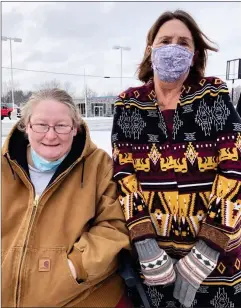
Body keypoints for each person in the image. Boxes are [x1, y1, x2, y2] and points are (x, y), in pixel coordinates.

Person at [111, 9, 241, 308]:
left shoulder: (212, 95)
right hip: (155, 263)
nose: (173, 47)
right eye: (165, 40)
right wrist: (145, 245)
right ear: (150, 49)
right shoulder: (128, 103)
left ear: (194, 54)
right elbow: (123, 176)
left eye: (183, 42)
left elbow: (234, 170)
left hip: (216, 261)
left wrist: (208, 249)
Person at [2, 88, 132, 307]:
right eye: (42, 125)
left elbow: (114, 226)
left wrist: (74, 268)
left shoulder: (99, 166)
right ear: (27, 126)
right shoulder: (3, 167)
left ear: (75, 128)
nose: (51, 135)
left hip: (82, 297)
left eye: (61, 126)